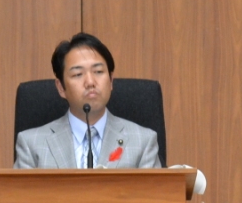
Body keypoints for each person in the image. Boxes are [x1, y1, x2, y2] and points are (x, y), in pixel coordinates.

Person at [14, 33, 161, 169]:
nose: (90, 82)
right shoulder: (31, 144)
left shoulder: (143, 142)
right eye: (78, 74)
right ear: (61, 88)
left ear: (111, 80)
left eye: (98, 72)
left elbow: (153, 190)